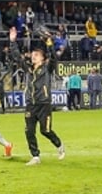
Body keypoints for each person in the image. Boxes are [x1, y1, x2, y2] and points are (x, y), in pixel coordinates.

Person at [7, 26, 64, 165]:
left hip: (44, 104)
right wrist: (12, 41)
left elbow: (54, 58)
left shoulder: (47, 68)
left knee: (45, 131)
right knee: (29, 131)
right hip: (31, 104)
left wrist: (49, 42)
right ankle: (35, 156)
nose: (33, 56)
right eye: (32, 55)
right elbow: (16, 56)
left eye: (36, 55)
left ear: (43, 59)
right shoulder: (28, 69)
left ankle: (59, 145)